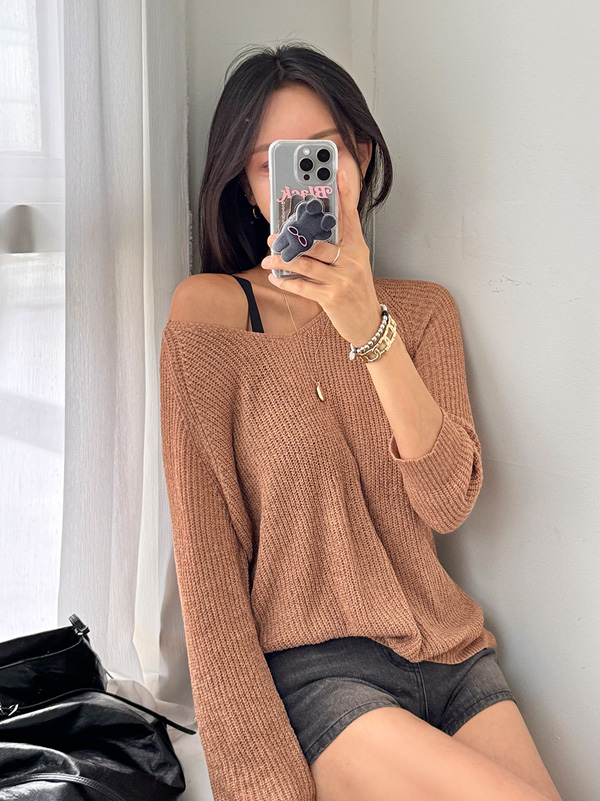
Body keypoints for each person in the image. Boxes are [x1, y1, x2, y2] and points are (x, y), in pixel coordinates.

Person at [160, 42, 563, 801]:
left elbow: (447, 500)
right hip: (319, 674)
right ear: (249, 188)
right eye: (271, 164)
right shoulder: (209, 317)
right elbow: (207, 567)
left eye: (322, 153)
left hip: (452, 654)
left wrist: (368, 326)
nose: (302, 179)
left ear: (360, 157)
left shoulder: (424, 312)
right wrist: (260, 782)